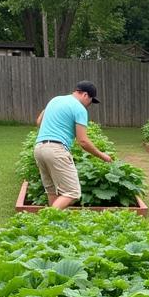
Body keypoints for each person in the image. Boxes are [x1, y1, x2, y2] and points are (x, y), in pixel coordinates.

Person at [34, 81, 112, 209]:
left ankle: (52, 226)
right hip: (56, 150)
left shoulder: (55, 100)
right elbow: (83, 141)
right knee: (72, 193)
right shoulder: (79, 109)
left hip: (39, 148)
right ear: (85, 95)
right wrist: (102, 156)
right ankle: (45, 220)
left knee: (52, 190)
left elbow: (38, 122)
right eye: (91, 101)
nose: (89, 105)